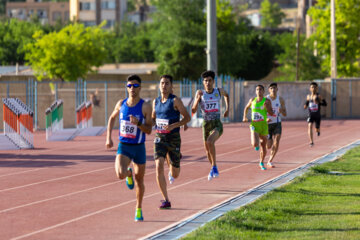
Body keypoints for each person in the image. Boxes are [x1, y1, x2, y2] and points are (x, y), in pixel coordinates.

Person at [105, 75, 152, 222]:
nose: (132, 88)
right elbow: (112, 118)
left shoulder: (145, 106)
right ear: (126, 87)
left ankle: (138, 208)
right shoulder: (121, 104)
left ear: (140, 88)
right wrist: (108, 137)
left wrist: (138, 124)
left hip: (139, 148)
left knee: (140, 181)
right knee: (120, 173)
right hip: (124, 146)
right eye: (130, 86)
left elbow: (149, 130)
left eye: (135, 86)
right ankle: (128, 174)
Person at [153, 75, 191, 209]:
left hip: (173, 138)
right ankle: (165, 199)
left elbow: (187, 117)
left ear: (171, 86)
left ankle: (175, 157)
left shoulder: (175, 101)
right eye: (162, 83)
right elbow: (153, 119)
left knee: (175, 174)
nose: (164, 85)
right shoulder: (155, 102)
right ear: (159, 85)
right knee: (158, 166)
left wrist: (175, 125)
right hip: (159, 139)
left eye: (167, 83)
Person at [191, 70, 229, 181]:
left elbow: (227, 95)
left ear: (213, 81)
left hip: (217, 123)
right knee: (207, 150)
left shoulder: (218, 91)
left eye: (210, 81)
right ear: (203, 82)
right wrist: (197, 100)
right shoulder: (200, 93)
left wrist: (227, 109)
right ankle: (213, 167)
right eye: (205, 81)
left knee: (210, 141)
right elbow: (193, 110)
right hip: (206, 124)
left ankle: (215, 167)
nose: (207, 83)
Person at [243, 85, 274, 170]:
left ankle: (261, 162)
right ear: (255, 91)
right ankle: (256, 142)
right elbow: (246, 108)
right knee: (255, 144)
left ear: (263, 91)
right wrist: (244, 117)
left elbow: (271, 113)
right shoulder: (252, 100)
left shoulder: (267, 101)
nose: (258, 91)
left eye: (260, 89)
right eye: (257, 89)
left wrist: (267, 108)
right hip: (254, 125)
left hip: (263, 125)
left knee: (264, 147)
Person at [266, 83, 287, 168]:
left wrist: (281, 111)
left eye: (274, 88)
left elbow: (285, 114)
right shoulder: (266, 99)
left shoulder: (280, 99)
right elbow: (260, 112)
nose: (273, 90)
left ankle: (270, 160)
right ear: (269, 90)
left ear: (277, 89)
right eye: (271, 88)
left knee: (277, 140)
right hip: (267, 124)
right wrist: (265, 119)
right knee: (268, 146)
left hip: (277, 123)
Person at [304, 82, 327, 146]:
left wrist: (319, 102)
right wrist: (305, 105)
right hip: (310, 114)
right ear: (310, 89)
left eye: (315, 87)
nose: (313, 88)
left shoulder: (319, 96)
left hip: (317, 115)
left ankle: (318, 130)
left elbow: (325, 104)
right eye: (312, 87)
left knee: (317, 128)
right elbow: (306, 104)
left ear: (317, 88)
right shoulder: (308, 96)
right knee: (310, 126)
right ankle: (311, 142)